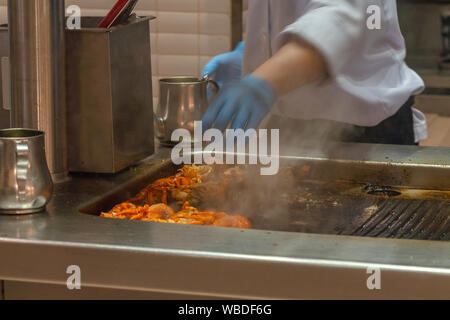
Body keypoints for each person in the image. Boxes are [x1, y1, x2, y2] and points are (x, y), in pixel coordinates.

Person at [201, 0, 427, 145]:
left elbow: (342, 19)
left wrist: (264, 80)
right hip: (288, 125)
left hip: (366, 131)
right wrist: (253, 57)